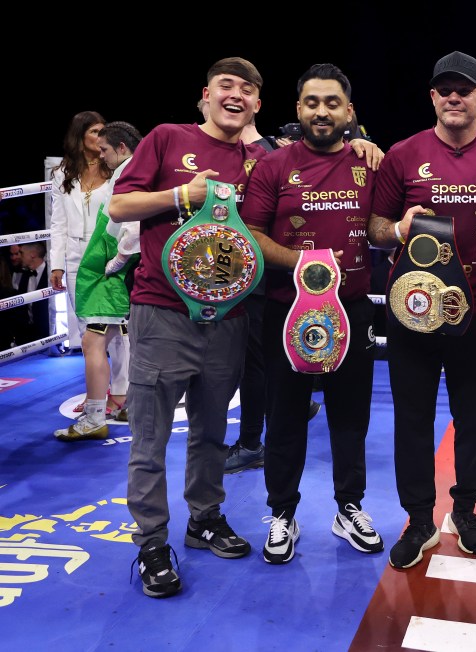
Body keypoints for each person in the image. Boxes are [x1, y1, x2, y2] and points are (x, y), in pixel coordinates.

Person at [108, 57, 266, 598]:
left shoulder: (261, 159)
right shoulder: (166, 138)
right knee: (149, 441)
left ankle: (204, 519)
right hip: (161, 314)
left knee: (212, 433)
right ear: (204, 95)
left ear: (257, 105)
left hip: (229, 320)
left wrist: (366, 146)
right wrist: (180, 197)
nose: (236, 95)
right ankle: (152, 542)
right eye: (226, 85)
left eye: (247, 89)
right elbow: (118, 205)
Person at [367, 50, 476, 569]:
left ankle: (466, 511)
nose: (454, 97)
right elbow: (376, 230)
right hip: (413, 312)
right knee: (411, 418)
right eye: (445, 89)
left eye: (464, 89)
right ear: (433, 97)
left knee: (473, 417)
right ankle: (420, 519)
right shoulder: (403, 155)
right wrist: (399, 229)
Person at [242, 62, 385, 563]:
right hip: (286, 312)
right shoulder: (273, 167)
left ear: (349, 111)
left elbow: (381, 226)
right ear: (298, 108)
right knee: (284, 420)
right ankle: (282, 513)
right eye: (311, 102)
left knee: (351, 418)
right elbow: (253, 237)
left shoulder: (372, 164)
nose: (321, 111)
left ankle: (349, 508)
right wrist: (308, 263)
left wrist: (402, 226)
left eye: (331, 103)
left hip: (354, 311)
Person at [54, 121, 143, 442]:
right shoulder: (131, 170)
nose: (101, 156)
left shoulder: (131, 172)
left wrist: (116, 261)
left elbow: (132, 227)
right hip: (107, 270)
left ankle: (93, 418)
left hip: (110, 273)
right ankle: (128, 403)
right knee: (116, 337)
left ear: (121, 148)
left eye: (104, 150)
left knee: (93, 342)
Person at [14, 241, 51, 345]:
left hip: (47, 335)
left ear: (32, 254)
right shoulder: (25, 275)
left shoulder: (51, 273)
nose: (19, 256)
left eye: (21, 253)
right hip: (28, 337)